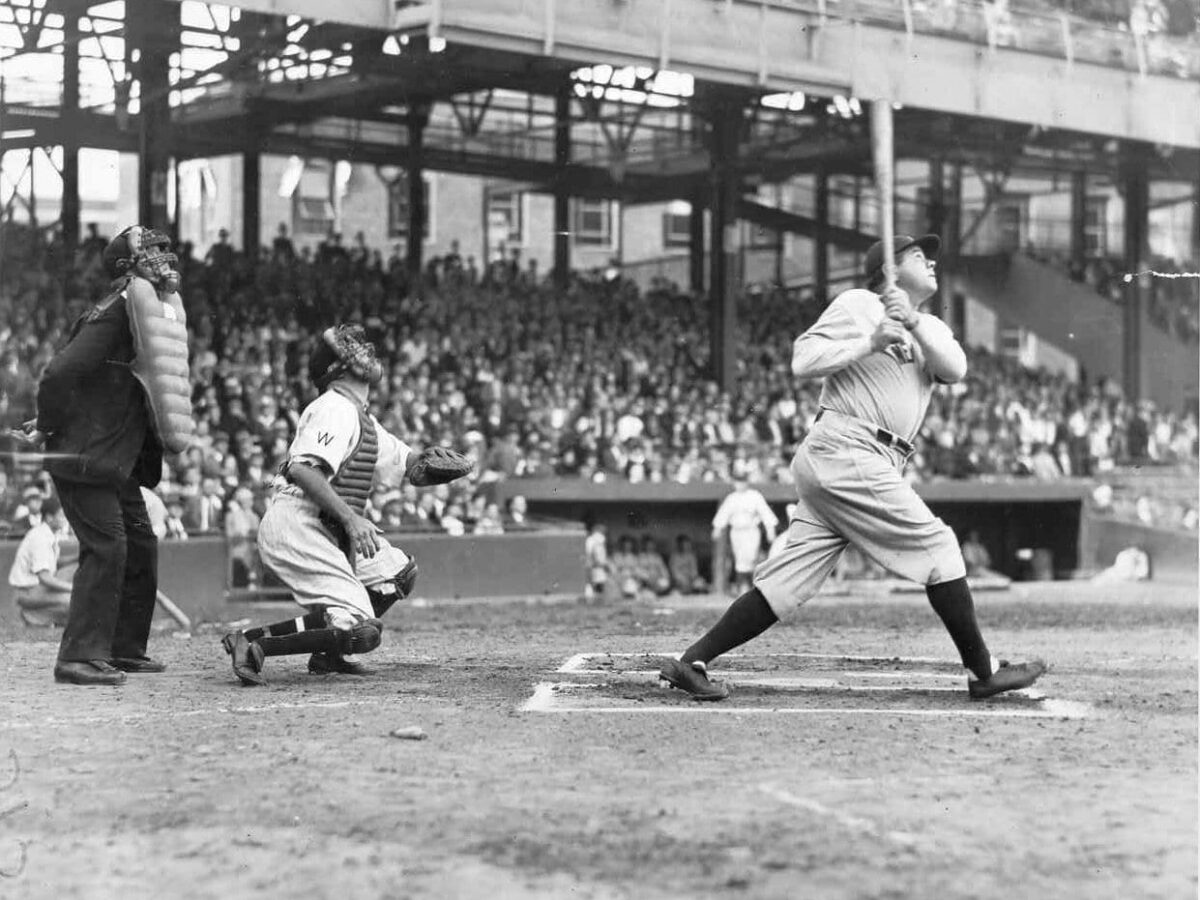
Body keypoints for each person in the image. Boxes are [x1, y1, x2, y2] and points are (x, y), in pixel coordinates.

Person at [659, 235, 1047, 701]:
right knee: (940, 545)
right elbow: (803, 360)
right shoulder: (860, 304)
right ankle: (982, 671)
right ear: (889, 270)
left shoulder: (931, 325)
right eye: (920, 257)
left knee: (787, 581)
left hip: (866, 458)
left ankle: (691, 662)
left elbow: (955, 369)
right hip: (848, 446)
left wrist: (914, 321)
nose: (933, 262)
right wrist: (871, 341)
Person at [220, 324, 471, 685]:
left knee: (396, 574)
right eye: (350, 351)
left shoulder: (361, 417)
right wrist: (353, 520)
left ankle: (329, 653)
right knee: (362, 631)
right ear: (337, 369)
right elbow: (302, 469)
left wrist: (436, 467)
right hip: (298, 522)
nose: (364, 354)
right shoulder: (333, 407)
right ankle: (252, 643)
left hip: (326, 524)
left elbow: (410, 466)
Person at [25, 224, 188, 685]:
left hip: (113, 458)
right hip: (82, 455)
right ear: (126, 267)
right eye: (150, 253)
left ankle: (124, 648)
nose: (163, 260)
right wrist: (50, 424)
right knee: (108, 546)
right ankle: (77, 656)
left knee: (140, 543)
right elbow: (60, 371)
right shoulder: (118, 309)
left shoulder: (148, 313)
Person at [7, 497, 72, 627]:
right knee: (74, 601)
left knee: (76, 572)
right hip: (27, 591)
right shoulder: (40, 538)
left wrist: (78, 557)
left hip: (37, 589)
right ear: (49, 518)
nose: (65, 519)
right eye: (61, 516)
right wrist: (71, 588)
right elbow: (44, 577)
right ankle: (33, 616)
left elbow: (52, 562)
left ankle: (47, 615)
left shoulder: (49, 533)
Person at [711, 476, 778, 596]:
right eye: (737, 482)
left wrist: (770, 530)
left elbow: (765, 513)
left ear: (746, 482)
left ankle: (752, 588)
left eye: (742, 482)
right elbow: (723, 514)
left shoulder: (754, 495)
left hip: (751, 531)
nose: (739, 485)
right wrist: (717, 528)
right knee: (740, 561)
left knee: (751, 558)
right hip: (737, 532)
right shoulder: (732, 498)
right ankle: (742, 588)